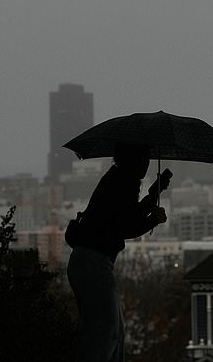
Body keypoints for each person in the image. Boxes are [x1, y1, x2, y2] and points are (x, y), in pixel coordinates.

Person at [67, 143, 171, 362]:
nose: (147, 164)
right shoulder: (124, 183)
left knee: (112, 331)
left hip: (88, 261)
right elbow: (126, 226)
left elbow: (127, 216)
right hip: (94, 262)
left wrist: (154, 193)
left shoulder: (118, 179)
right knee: (106, 332)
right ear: (134, 161)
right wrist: (154, 218)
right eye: (144, 159)